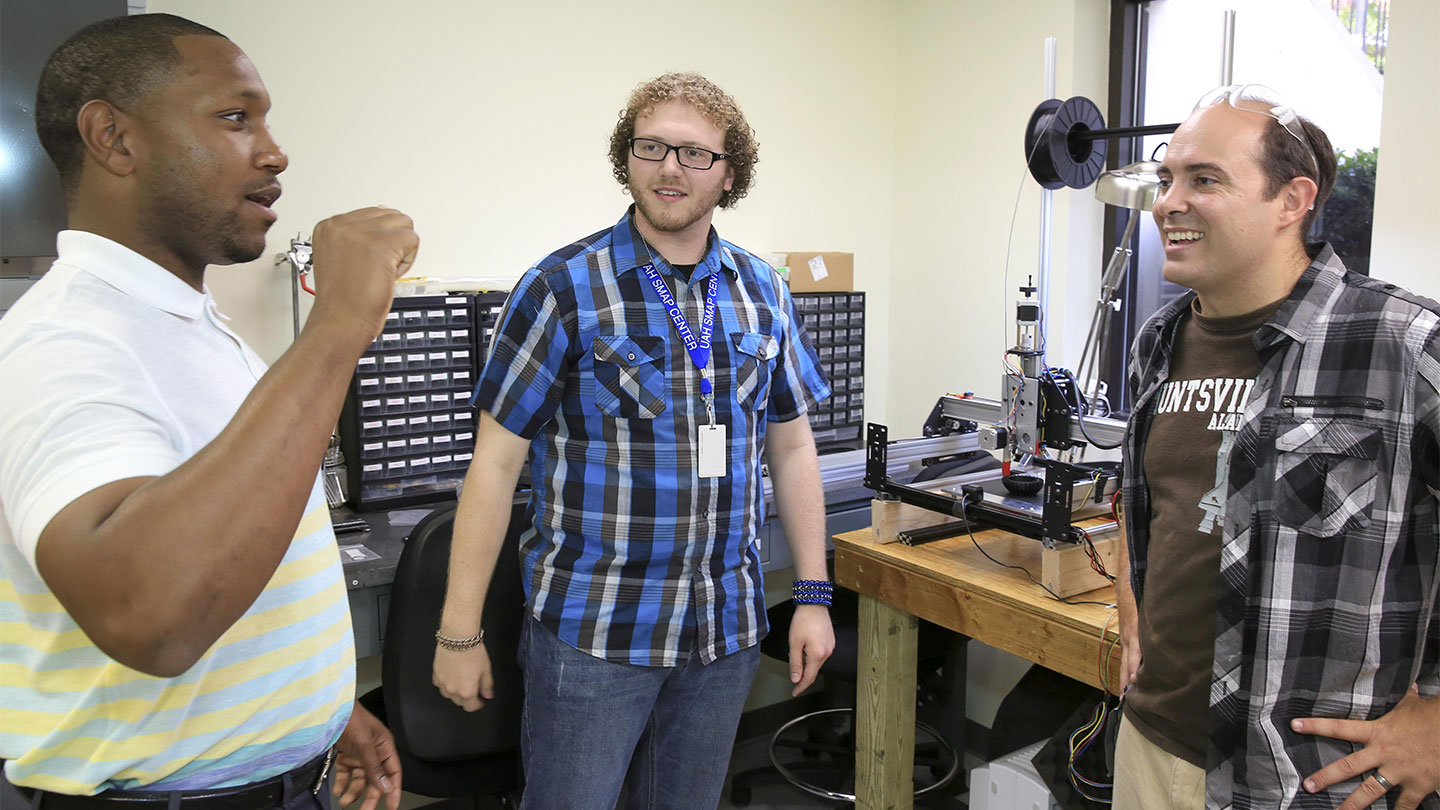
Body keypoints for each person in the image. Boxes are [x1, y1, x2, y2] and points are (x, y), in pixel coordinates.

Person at [0, 14, 419, 809]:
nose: (275, 151)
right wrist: (337, 326)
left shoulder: (188, 324)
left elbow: (237, 531)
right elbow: (152, 616)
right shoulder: (61, 342)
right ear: (113, 139)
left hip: (278, 773)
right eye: (235, 117)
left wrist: (318, 712)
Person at [432, 72, 836, 809]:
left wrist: (811, 594)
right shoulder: (561, 287)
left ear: (729, 174)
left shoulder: (762, 289)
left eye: (694, 153)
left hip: (725, 631)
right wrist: (458, 634)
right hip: (595, 635)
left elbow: (793, 447)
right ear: (628, 159)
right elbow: (493, 465)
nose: (671, 168)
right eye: (651, 147)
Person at [1113, 84, 1440, 810]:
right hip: (1151, 745)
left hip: (1304, 780)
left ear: (1292, 201)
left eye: (1205, 179)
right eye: (1167, 179)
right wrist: (1130, 589)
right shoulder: (1157, 344)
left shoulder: (1401, 343)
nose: (1168, 202)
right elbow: (1156, 506)